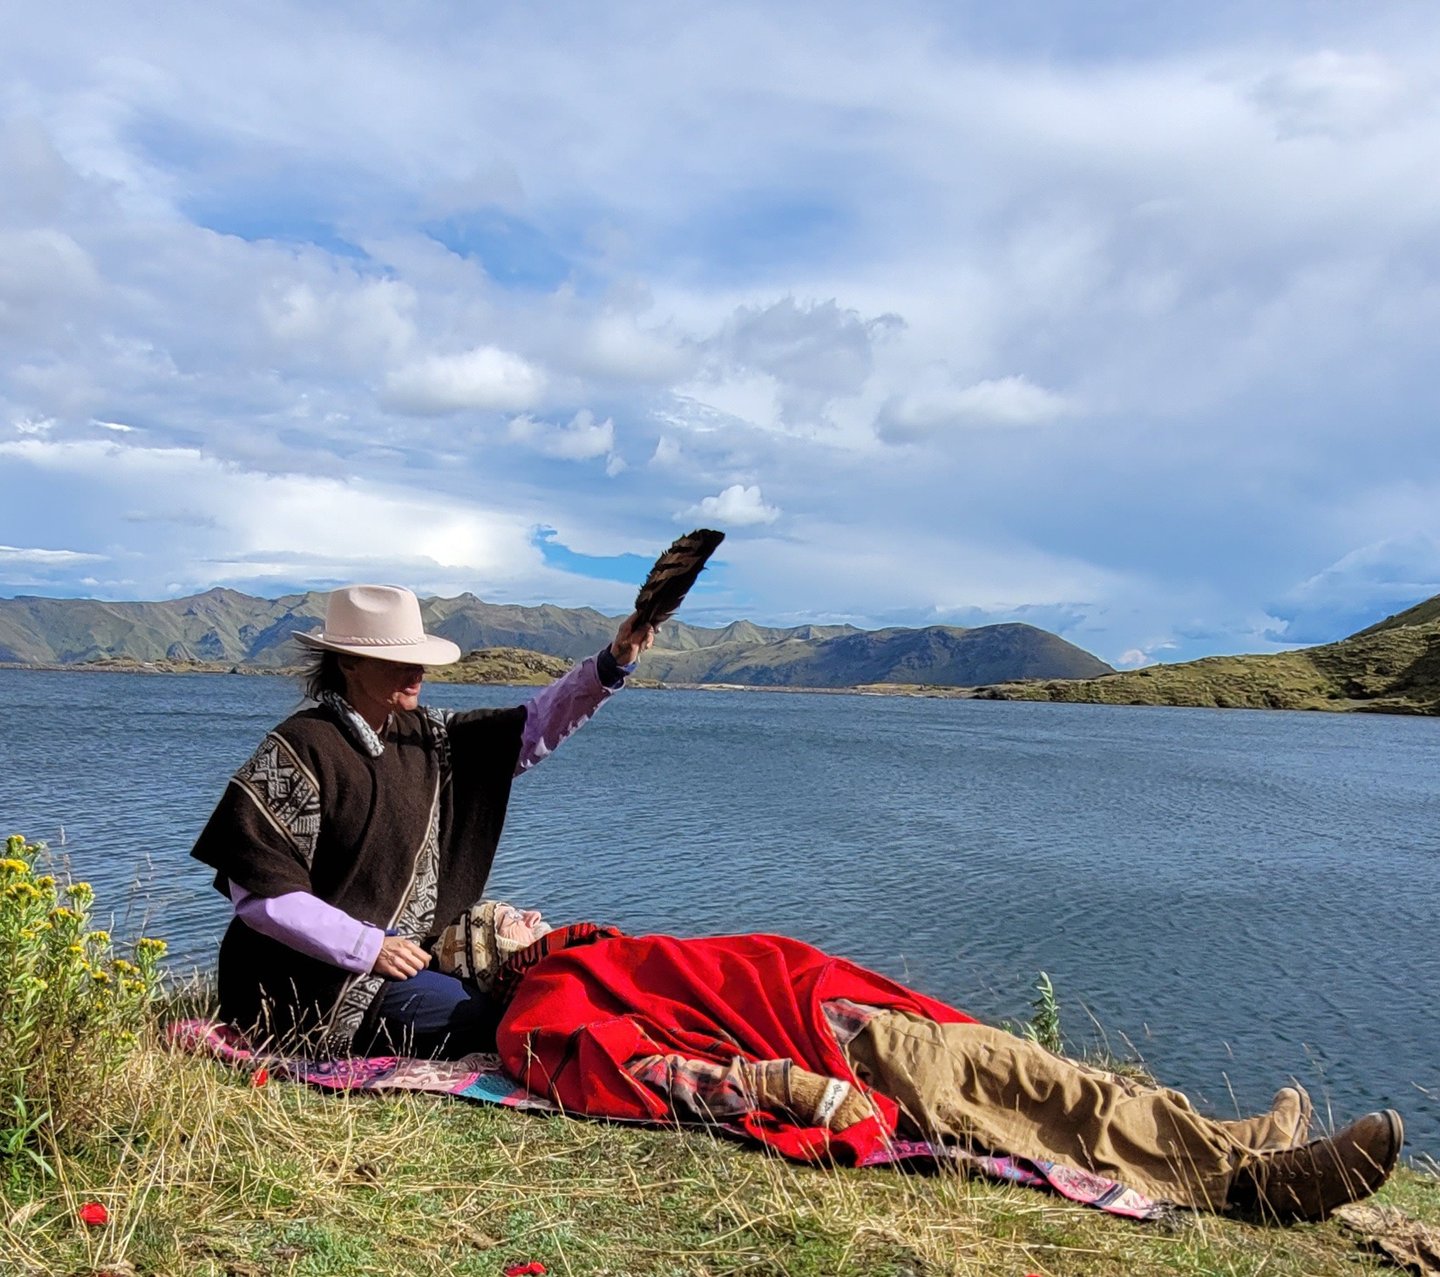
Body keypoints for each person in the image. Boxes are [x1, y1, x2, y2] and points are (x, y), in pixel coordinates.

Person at [437, 902, 1404, 1224]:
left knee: (1040, 1070)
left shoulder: (574, 956)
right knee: (1038, 1094)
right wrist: (785, 1088)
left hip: (839, 1007)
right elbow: (635, 1073)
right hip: (838, 1044)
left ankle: (1229, 1139)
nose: (519, 911)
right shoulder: (539, 1013)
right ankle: (1250, 1187)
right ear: (491, 959)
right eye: (498, 921)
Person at [191, 583, 653, 1059]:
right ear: (348, 664)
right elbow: (260, 898)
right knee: (482, 1021)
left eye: (418, 657)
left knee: (533, 990)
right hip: (304, 979)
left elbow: (530, 728)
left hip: (400, 959)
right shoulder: (298, 749)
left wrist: (610, 665)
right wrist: (368, 947)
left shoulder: (427, 736)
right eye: (399, 660)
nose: (418, 671)